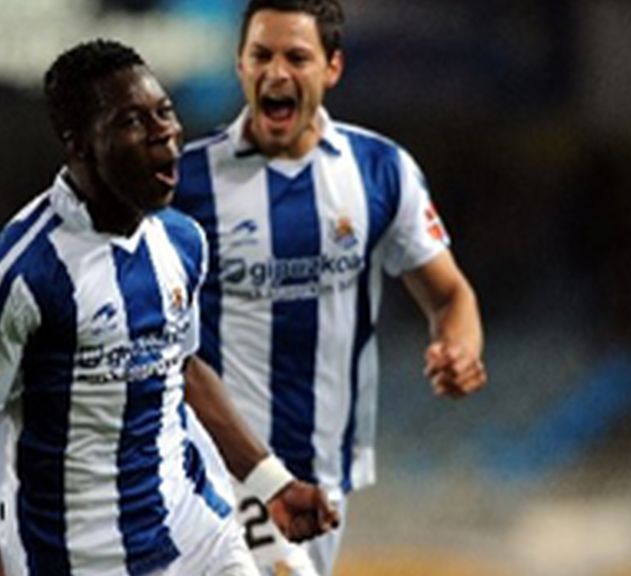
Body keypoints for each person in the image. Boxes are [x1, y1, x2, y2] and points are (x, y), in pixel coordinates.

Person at [0, 39, 339, 576]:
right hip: (78, 559)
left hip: (196, 536)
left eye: (164, 112)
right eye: (132, 121)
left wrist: (270, 484)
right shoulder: (18, 277)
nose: (164, 131)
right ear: (78, 143)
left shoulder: (182, 243)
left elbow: (185, 370)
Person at [172, 1, 488, 574]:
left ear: (332, 68)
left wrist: (461, 349)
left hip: (326, 469)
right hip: (221, 468)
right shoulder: (185, 183)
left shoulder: (379, 171)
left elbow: (450, 296)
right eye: (261, 55)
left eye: (297, 56)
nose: (276, 72)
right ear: (239, 65)